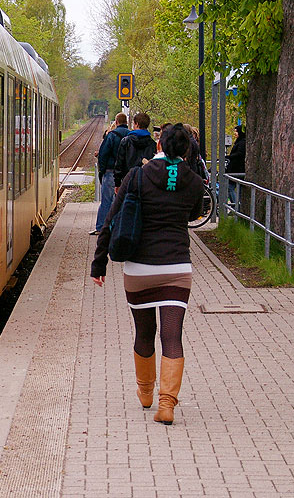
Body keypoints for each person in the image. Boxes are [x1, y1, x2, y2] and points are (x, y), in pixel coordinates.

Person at [91, 123, 206, 425]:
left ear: (158, 146)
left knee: (144, 333)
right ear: (186, 150)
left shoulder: (137, 176)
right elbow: (194, 214)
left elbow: (111, 220)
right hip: (177, 270)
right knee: (172, 336)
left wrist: (99, 264)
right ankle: (166, 405)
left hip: (139, 271)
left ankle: (145, 393)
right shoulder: (194, 182)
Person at [91, 112, 130, 235]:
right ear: (127, 123)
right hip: (126, 173)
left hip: (111, 172)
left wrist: (102, 172)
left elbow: (103, 154)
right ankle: (121, 227)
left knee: (106, 201)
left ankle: (101, 227)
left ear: (117, 122)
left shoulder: (111, 136)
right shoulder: (131, 136)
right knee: (124, 200)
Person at [113, 112, 157, 190]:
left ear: (136, 124)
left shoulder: (126, 141)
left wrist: (117, 183)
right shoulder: (152, 144)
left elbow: (119, 163)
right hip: (146, 182)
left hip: (128, 181)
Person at [225, 125, 246, 205]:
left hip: (237, 169)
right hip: (235, 168)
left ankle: (236, 206)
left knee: (230, 187)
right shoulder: (239, 141)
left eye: (236, 131)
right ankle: (237, 206)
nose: (235, 133)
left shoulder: (242, 142)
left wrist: (229, 157)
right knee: (234, 188)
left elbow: (240, 154)